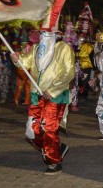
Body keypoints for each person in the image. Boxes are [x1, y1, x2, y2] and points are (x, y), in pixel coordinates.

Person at [12, 28, 74, 174]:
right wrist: (17, 59)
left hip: (56, 95)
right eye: (41, 32)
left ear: (55, 34)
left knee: (48, 128)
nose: (42, 35)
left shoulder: (64, 48)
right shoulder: (35, 48)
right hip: (36, 95)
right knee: (31, 132)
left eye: (46, 32)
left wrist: (52, 90)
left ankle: (54, 161)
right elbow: (24, 63)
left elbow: (68, 72)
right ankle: (56, 148)